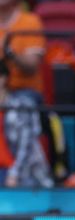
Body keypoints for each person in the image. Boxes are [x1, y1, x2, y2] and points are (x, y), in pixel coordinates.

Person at [0, 59, 53, 187]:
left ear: (3, 78)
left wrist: (14, 173)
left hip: (18, 172)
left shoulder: (21, 105)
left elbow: (27, 144)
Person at [0, 0, 45, 101]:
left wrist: (10, 53)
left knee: (18, 108)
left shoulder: (30, 22)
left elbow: (31, 66)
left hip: (23, 92)